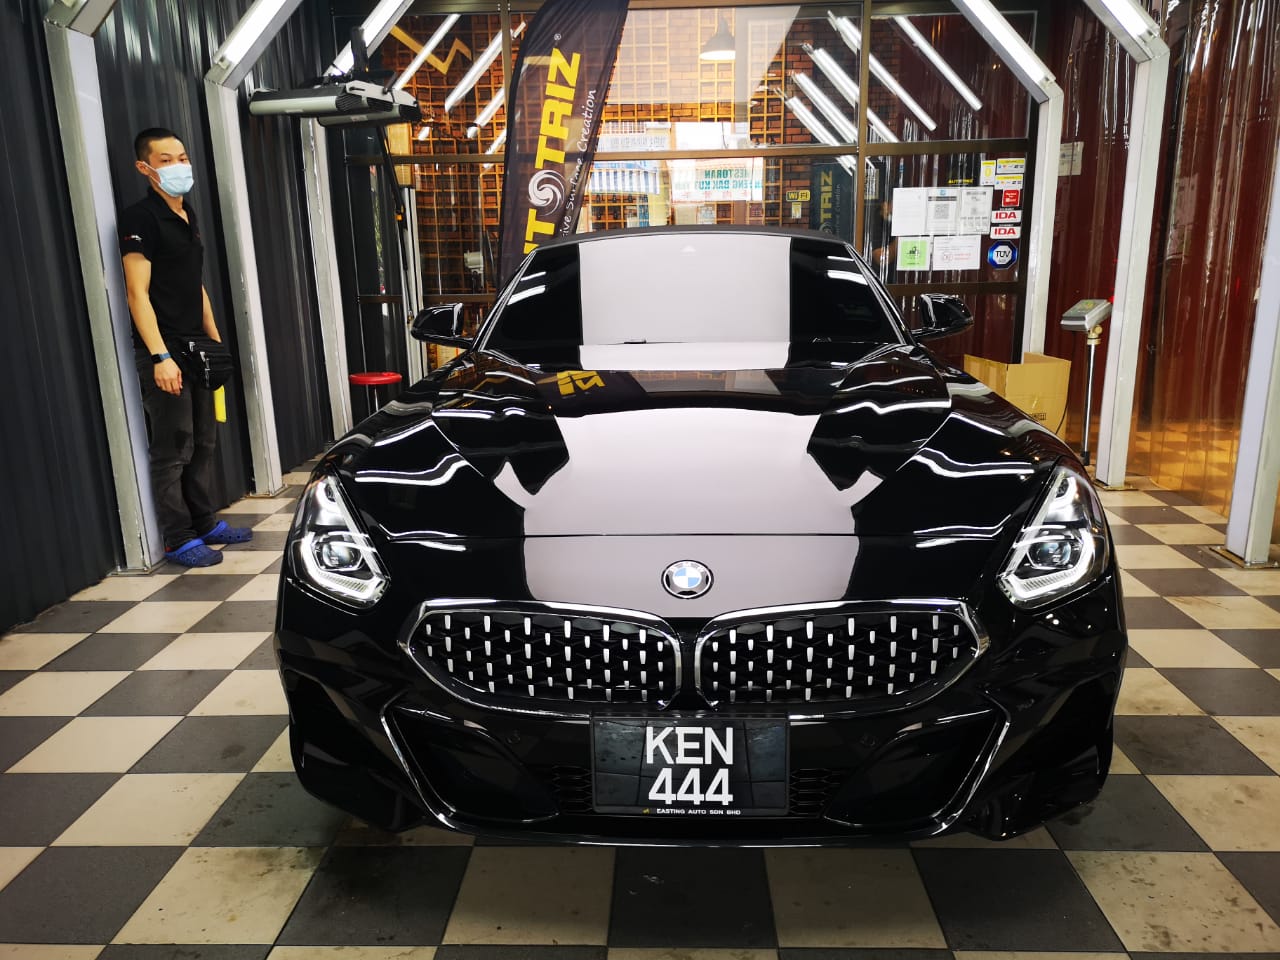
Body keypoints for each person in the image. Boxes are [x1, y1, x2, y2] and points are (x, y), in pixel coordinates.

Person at [120, 127, 251, 567]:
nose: (178, 166)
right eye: (166, 160)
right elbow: (136, 293)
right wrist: (160, 356)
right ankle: (178, 539)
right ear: (145, 168)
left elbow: (195, 284)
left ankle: (204, 522)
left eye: (182, 157)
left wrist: (215, 341)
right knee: (173, 449)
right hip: (165, 349)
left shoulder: (187, 214)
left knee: (204, 442)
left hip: (197, 347)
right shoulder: (140, 219)